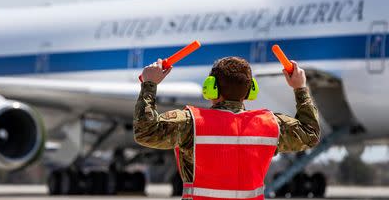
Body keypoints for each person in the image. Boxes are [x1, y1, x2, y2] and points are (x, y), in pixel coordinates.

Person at [133, 56, 320, 199]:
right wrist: (300, 88)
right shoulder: (270, 124)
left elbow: (145, 132)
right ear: (250, 90)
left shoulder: (192, 123)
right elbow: (310, 133)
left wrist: (149, 84)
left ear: (211, 87)